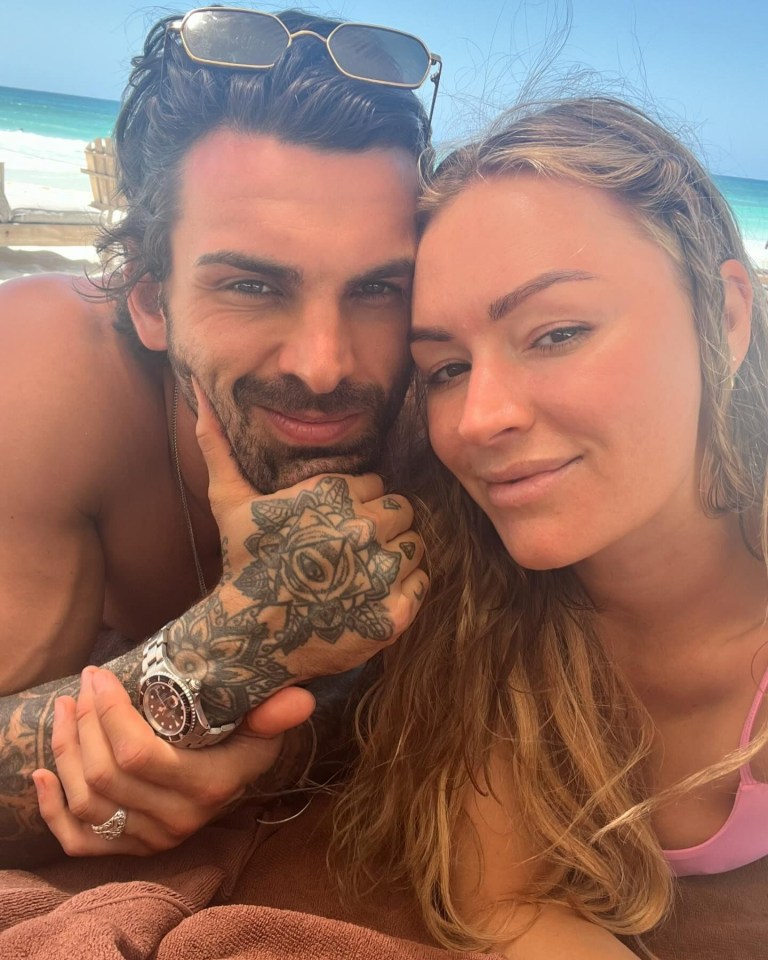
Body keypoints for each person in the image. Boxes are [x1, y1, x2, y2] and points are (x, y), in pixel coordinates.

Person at [0, 5, 436, 866]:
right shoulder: (53, 375)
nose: (323, 364)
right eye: (252, 285)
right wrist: (228, 650)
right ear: (151, 299)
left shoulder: (457, 396)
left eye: (379, 289)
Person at [333, 97, 768, 958]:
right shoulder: (479, 608)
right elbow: (509, 906)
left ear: (723, 315)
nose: (479, 419)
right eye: (447, 369)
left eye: (557, 332)